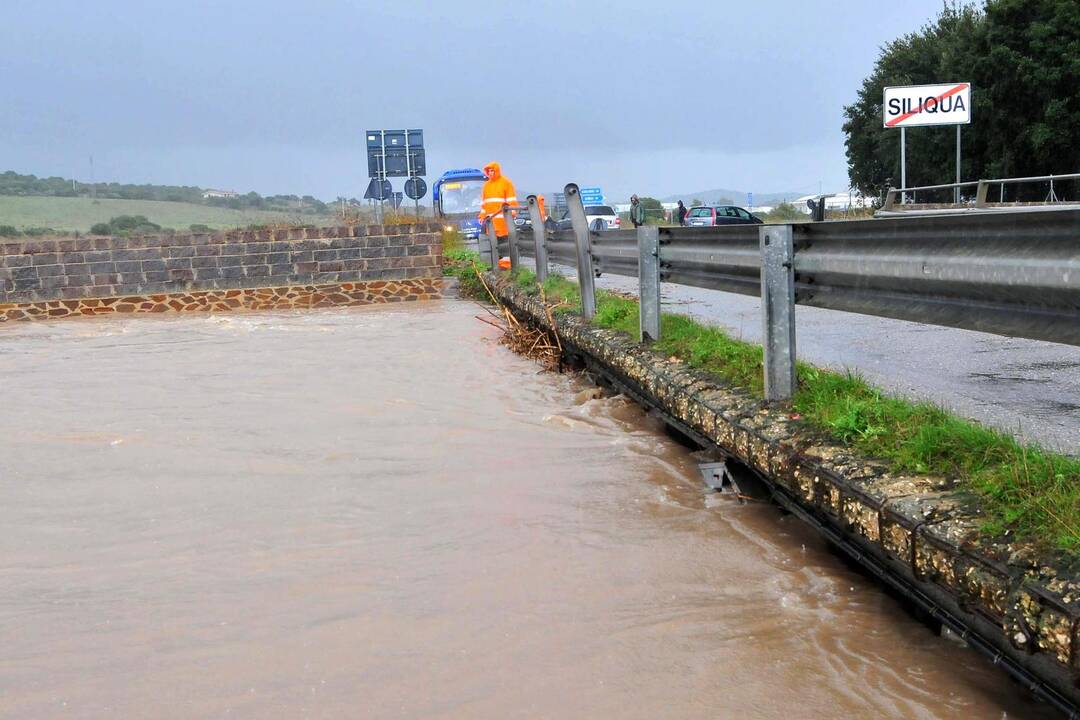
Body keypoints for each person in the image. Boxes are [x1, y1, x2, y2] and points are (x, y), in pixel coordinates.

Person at [478, 161, 518, 268]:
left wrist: (512, 214)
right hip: (491, 222)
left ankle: (506, 266)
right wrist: (482, 216)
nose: (490, 173)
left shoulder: (506, 183)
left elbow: (511, 200)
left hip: (503, 221)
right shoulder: (486, 186)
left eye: (492, 170)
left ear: (497, 171)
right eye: (488, 171)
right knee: (493, 244)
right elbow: (484, 204)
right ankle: (496, 265)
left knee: (504, 244)